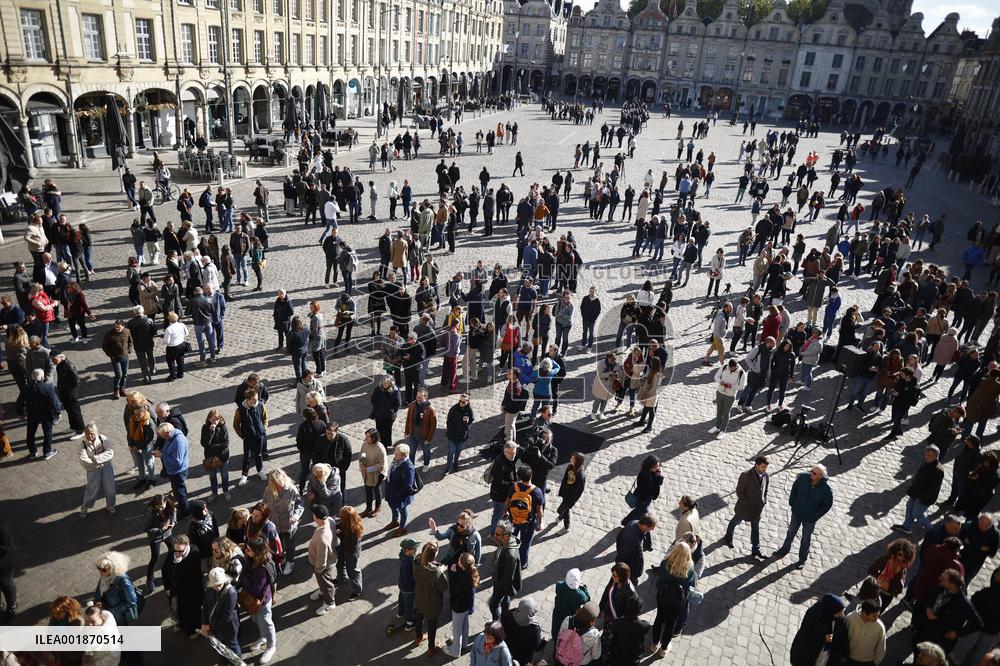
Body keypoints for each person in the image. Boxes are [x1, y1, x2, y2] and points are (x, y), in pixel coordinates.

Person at [773, 464, 833, 569]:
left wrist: (815, 516)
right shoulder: (803, 478)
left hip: (810, 518)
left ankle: (802, 559)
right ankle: (784, 549)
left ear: (820, 476)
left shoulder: (826, 490)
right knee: (791, 532)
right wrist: (792, 502)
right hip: (797, 512)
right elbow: (794, 488)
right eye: (811, 471)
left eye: (814, 473)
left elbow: (827, 505)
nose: (811, 474)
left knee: (806, 538)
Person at [650, 541, 697, 657]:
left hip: (663, 597)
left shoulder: (665, 564)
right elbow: (692, 587)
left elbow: (660, 579)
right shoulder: (690, 571)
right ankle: (663, 649)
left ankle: (654, 644)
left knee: (659, 619)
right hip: (678, 602)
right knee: (670, 624)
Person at [238, 538, 278, 663]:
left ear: (256, 552)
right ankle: (263, 637)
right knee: (256, 618)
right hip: (252, 598)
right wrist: (245, 578)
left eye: (249, 549)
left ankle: (271, 647)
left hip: (262, 600)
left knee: (266, 621)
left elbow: (256, 589)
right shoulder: (249, 559)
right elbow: (244, 574)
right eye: (246, 548)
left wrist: (244, 579)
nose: (246, 550)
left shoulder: (264, 567)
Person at [892, 445, 945, 534]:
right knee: (909, 507)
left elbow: (933, 488)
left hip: (924, 497)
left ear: (936, 456)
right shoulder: (926, 463)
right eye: (926, 454)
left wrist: (921, 498)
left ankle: (932, 532)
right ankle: (907, 527)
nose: (926, 457)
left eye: (929, 456)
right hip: (916, 493)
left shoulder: (938, 470)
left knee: (917, 514)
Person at [724, 455, 769, 558]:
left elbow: (766, 489)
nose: (764, 469)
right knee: (736, 521)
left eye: (765, 467)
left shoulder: (766, 475)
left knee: (755, 529)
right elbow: (739, 492)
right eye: (763, 467)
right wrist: (748, 503)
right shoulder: (746, 475)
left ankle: (756, 549)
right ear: (757, 465)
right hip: (745, 508)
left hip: (757, 509)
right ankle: (728, 536)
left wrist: (764, 501)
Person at [162, 534, 204, 638]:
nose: (177, 553)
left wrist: (178, 564)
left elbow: (188, 580)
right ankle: (180, 623)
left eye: (180, 551)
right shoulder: (174, 553)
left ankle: (194, 630)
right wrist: (167, 587)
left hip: (190, 592)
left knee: (191, 612)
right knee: (176, 609)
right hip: (174, 591)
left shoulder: (194, 555)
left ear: (187, 545)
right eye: (175, 550)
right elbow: (165, 569)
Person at [788, 593, 848, 666]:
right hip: (807, 655)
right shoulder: (813, 614)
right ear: (831, 609)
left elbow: (843, 636)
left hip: (825, 657)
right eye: (839, 611)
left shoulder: (840, 618)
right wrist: (823, 639)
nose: (841, 613)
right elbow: (805, 634)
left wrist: (844, 654)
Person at [262, 469, 303, 575]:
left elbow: (300, 504)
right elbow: (264, 504)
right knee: (277, 543)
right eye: (277, 483)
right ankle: (282, 558)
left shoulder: (292, 490)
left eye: (281, 481)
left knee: (290, 544)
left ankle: (290, 561)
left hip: (289, 525)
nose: (280, 484)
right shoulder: (268, 490)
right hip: (275, 524)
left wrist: (296, 516)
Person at [413, 541, 449, 657]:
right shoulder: (437, 572)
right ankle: (431, 648)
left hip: (419, 597)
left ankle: (418, 637)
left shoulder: (415, 562)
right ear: (434, 555)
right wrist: (442, 571)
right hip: (433, 603)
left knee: (419, 617)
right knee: (432, 625)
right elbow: (444, 587)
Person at [506, 465, 545, 569]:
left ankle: (508, 558)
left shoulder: (514, 487)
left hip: (513, 519)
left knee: (510, 539)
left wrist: (504, 515)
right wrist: (539, 523)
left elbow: (507, 502)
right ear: (531, 476)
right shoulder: (537, 491)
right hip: (528, 522)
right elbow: (539, 510)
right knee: (525, 543)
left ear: (519, 477)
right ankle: (522, 563)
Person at [200, 567, 241, 666]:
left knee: (233, 646)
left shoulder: (231, 592)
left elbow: (227, 616)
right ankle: (224, 661)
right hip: (215, 625)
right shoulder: (210, 588)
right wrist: (204, 623)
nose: (217, 587)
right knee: (221, 645)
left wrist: (211, 627)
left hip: (228, 627)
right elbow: (205, 606)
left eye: (219, 584)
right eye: (215, 585)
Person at [20, 367, 61, 460]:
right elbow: (54, 401)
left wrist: (20, 413)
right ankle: (47, 452)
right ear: (42, 378)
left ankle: (33, 452)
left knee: (30, 433)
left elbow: (20, 402)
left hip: (32, 414)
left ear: (31, 377)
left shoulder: (26, 388)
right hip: (46, 413)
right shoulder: (48, 387)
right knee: (47, 433)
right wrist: (57, 412)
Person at [445, 552, 479, 658]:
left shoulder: (462, 578)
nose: (457, 560)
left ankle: (455, 651)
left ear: (463, 566)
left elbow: (453, 590)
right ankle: (464, 643)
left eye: (459, 560)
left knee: (457, 629)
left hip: (459, 607)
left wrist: (452, 573)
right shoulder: (470, 573)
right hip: (467, 606)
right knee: (465, 625)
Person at [78, 423, 115, 518]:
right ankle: (85, 507)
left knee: (110, 487)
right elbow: (83, 460)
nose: (90, 436)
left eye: (92, 433)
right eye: (87, 434)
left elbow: (110, 452)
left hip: (106, 467)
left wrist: (96, 458)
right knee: (91, 489)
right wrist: (96, 463)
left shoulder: (102, 438)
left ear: (96, 433)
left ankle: (110, 505)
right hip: (93, 470)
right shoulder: (83, 444)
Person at [307, 504, 338, 616]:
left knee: (326, 582)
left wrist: (318, 569)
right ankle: (322, 590)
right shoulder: (330, 520)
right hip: (328, 559)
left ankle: (330, 602)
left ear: (316, 517)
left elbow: (322, 558)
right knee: (323, 582)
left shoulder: (322, 538)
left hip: (322, 566)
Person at [153, 422, 189, 518]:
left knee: (179, 493)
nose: (162, 437)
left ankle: (185, 512)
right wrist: (160, 452)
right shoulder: (171, 436)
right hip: (174, 471)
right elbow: (167, 448)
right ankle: (184, 506)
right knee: (180, 491)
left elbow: (177, 461)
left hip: (178, 472)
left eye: (162, 435)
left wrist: (162, 455)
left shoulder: (178, 441)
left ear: (168, 432)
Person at [234, 389, 269, 485]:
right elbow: (236, 425)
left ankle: (260, 470)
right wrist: (242, 435)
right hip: (248, 437)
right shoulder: (240, 410)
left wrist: (264, 428)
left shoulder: (261, 405)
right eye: (253, 399)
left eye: (256, 399)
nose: (256, 401)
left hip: (259, 435)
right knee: (247, 456)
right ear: (247, 399)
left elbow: (265, 417)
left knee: (258, 454)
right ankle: (244, 475)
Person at [489, 520, 522, 621]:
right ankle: (504, 617)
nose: (495, 536)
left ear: (507, 535)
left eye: (498, 534)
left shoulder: (510, 555)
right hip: (499, 579)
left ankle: (497, 625)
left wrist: (500, 586)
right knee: (505, 599)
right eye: (495, 533)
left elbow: (508, 578)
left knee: (494, 605)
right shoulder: (504, 542)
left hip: (502, 583)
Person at [606, 595, 649, 665]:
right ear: (640, 611)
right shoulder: (644, 626)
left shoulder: (617, 623)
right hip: (633, 658)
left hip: (617, 656)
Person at [501, 597, 545, 666]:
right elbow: (536, 646)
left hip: (508, 650)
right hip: (524, 658)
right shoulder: (534, 628)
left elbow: (503, 629)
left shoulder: (510, 614)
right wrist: (543, 643)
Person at [385, 443, 417, 536]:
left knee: (402, 510)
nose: (394, 455)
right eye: (395, 452)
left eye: (397, 454)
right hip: (392, 490)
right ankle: (395, 521)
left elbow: (408, 485)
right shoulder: (397, 460)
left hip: (400, 495)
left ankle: (402, 527)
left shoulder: (408, 467)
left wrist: (398, 493)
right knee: (393, 506)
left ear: (404, 456)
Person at [842, 599, 886, 666]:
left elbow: (881, 646)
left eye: (878, 615)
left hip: (867, 662)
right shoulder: (850, 619)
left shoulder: (879, 627)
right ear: (865, 613)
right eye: (874, 616)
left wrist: (875, 662)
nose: (877, 618)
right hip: (848, 659)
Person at [622, 455, 663, 525]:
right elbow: (646, 488)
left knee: (638, 510)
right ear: (650, 466)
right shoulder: (643, 475)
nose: (657, 468)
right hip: (643, 498)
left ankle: (626, 522)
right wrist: (658, 476)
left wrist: (658, 475)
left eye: (658, 466)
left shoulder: (654, 472)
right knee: (642, 511)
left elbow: (658, 484)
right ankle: (627, 522)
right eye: (655, 466)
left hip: (648, 497)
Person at [201, 409, 231, 502]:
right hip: (210, 458)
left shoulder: (223, 427)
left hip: (223, 456)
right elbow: (204, 444)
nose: (216, 421)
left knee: (224, 474)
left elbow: (226, 443)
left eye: (217, 419)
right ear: (209, 419)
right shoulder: (205, 428)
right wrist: (211, 432)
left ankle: (226, 491)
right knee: (212, 476)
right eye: (213, 419)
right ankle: (214, 492)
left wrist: (212, 447)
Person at [335, 506, 364, 600]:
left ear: (346, 519)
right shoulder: (346, 523)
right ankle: (342, 578)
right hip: (344, 548)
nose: (339, 517)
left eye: (341, 516)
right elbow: (339, 525)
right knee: (340, 563)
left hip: (352, 552)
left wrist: (340, 535)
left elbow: (352, 545)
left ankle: (357, 591)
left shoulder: (355, 529)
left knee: (353, 571)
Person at [616, 514, 655, 584]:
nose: (652, 530)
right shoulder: (634, 542)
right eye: (651, 528)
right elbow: (637, 559)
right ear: (644, 526)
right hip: (628, 567)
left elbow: (619, 537)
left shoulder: (634, 522)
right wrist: (638, 573)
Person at [711, 359, 745, 437]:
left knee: (726, 413)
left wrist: (731, 386)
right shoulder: (724, 367)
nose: (729, 369)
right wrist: (720, 381)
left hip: (730, 396)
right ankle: (717, 427)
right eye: (729, 367)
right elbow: (716, 376)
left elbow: (741, 386)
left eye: (731, 368)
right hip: (720, 392)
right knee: (719, 411)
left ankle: (723, 430)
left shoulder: (741, 373)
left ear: (736, 366)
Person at [359, 428, 387, 518]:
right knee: (368, 489)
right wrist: (362, 463)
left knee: (376, 489)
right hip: (367, 471)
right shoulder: (365, 445)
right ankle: (368, 508)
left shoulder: (380, 448)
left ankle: (377, 507)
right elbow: (362, 454)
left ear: (374, 438)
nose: (366, 439)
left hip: (378, 473)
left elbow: (381, 464)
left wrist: (369, 469)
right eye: (366, 436)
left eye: (368, 437)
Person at [556, 452, 587, 532]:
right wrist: (562, 491)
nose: (570, 459)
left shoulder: (581, 475)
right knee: (564, 510)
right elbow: (566, 480)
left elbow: (578, 491)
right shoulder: (570, 467)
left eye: (573, 459)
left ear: (577, 461)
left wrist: (571, 502)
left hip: (570, 497)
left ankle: (567, 527)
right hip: (566, 493)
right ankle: (561, 517)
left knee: (565, 510)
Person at [445, 394, 475, 474]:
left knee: (458, 451)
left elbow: (472, 419)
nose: (461, 403)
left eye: (463, 402)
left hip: (462, 435)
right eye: (460, 401)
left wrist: (467, 428)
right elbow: (449, 420)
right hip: (453, 434)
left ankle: (455, 464)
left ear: (468, 402)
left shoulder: (469, 410)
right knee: (451, 452)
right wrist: (450, 430)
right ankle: (448, 467)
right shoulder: (454, 409)